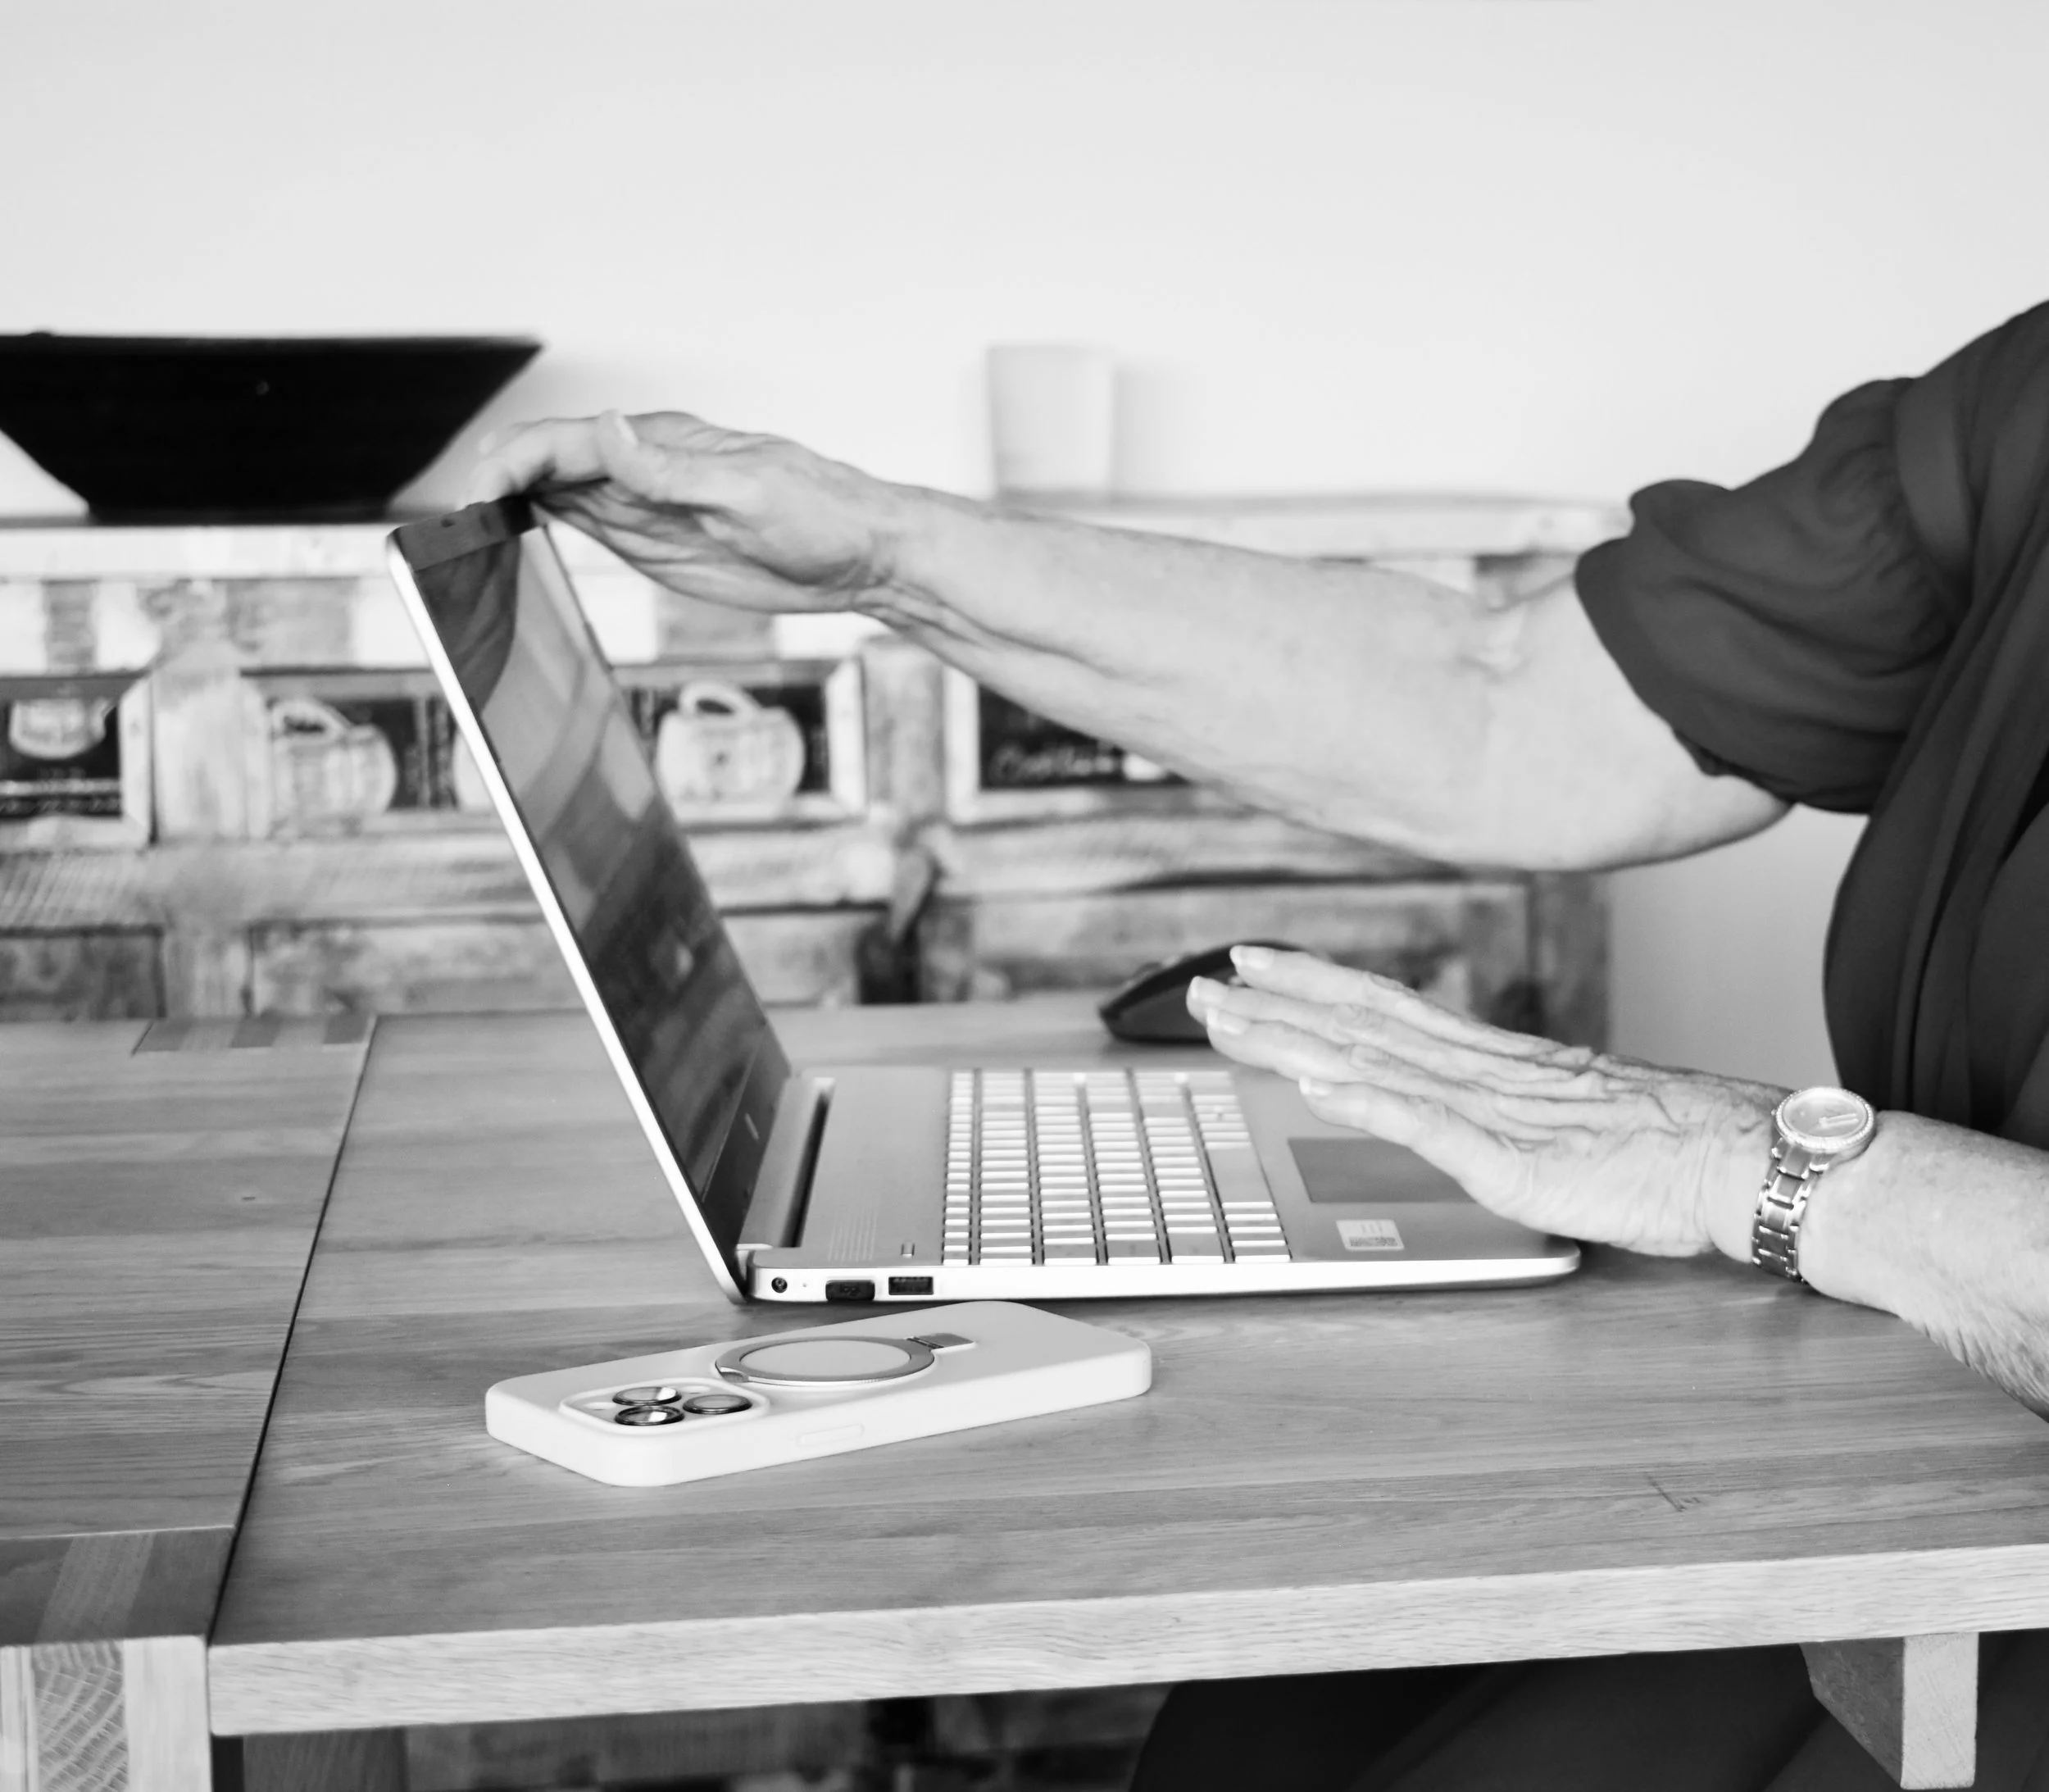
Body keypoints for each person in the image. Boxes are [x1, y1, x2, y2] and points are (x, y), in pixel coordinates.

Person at [472, 301, 2049, 1789]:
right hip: (1914, 1453)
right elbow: (1508, 703)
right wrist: (884, 549)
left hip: (1990, 1598)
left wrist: (1746, 1164)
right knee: (1268, 1729)